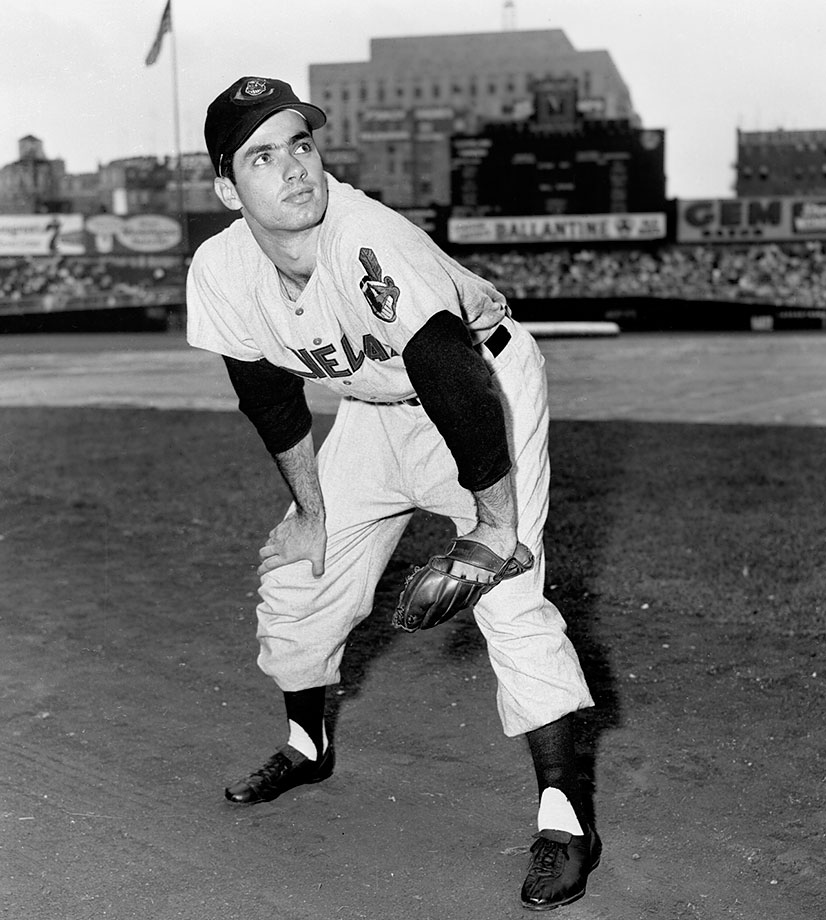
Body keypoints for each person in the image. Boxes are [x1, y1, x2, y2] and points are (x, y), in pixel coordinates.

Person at [186, 75, 601, 911]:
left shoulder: (368, 240)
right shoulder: (222, 266)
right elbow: (266, 392)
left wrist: (490, 527)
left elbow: (453, 379)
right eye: (263, 155)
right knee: (304, 572)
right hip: (378, 407)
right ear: (230, 187)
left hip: (482, 386)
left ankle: (566, 818)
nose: (294, 168)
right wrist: (311, 513)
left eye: (302, 144)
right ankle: (309, 742)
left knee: (509, 592)